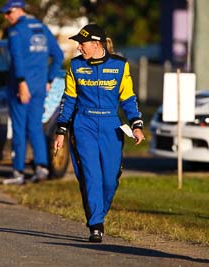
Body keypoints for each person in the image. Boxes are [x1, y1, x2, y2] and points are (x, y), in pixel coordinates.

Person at [53, 24, 145, 243]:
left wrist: (136, 124)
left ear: (96, 44)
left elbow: (128, 98)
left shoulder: (120, 65)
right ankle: (95, 224)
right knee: (91, 175)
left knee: (110, 179)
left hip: (111, 124)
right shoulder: (75, 66)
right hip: (83, 123)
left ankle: (98, 214)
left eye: (82, 44)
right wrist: (61, 130)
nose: (78, 48)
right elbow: (69, 100)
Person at [0, 0, 64, 185]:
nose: (6, 17)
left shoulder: (16, 31)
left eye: (9, 12)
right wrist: (49, 79)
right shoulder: (42, 28)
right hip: (39, 86)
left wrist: (21, 83)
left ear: (19, 10)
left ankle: (18, 172)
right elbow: (58, 55)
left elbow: (17, 58)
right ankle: (41, 168)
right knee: (35, 127)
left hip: (21, 87)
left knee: (19, 129)